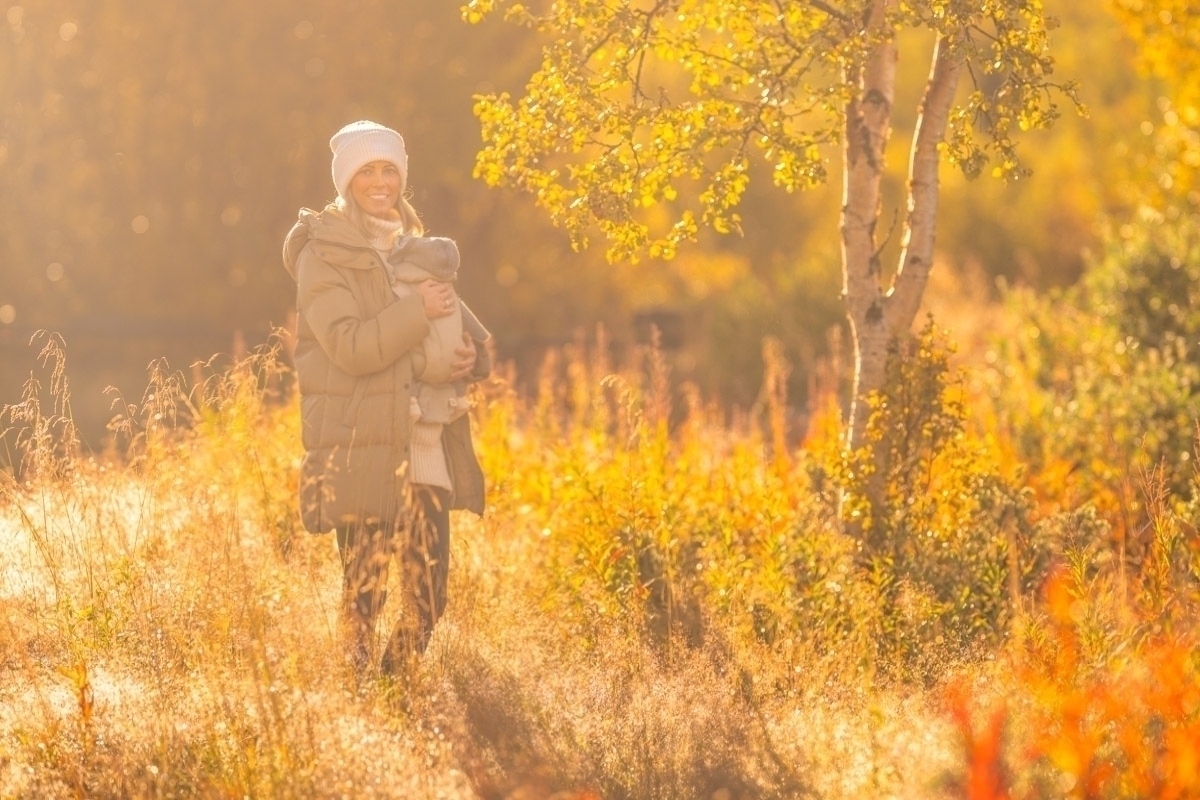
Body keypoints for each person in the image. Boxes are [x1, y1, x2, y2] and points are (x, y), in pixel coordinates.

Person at [281, 120, 490, 676]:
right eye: (367, 170)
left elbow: (463, 328)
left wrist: (473, 357)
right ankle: (356, 702)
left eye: (389, 169)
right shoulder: (322, 256)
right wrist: (418, 310)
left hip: (425, 447)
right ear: (347, 180)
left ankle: (396, 692)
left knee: (429, 600)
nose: (381, 181)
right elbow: (349, 347)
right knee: (363, 596)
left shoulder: (416, 249)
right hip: (361, 445)